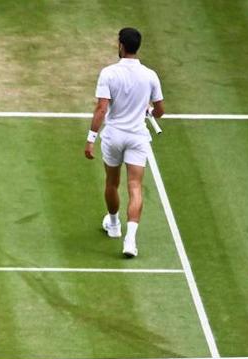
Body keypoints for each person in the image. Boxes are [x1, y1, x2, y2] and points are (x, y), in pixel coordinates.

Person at [84, 27, 164, 258]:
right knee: (135, 186)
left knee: (112, 182)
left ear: (121, 45)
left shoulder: (109, 73)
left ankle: (114, 224)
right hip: (138, 137)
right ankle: (130, 240)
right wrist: (148, 109)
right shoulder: (150, 75)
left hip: (114, 136)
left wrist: (91, 139)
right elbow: (159, 111)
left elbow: (101, 108)